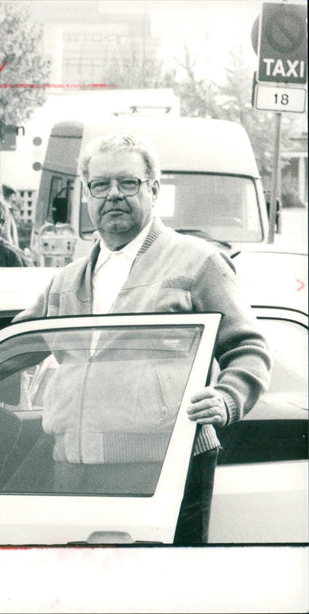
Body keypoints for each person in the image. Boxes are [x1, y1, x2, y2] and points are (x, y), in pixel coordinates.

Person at [15, 133, 271, 544]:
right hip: (72, 467)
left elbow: (249, 349)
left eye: (128, 183)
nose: (113, 194)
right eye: (100, 185)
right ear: (87, 193)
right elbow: (15, 346)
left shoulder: (198, 262)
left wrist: (227, 398)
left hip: (163, 469)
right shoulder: (65, 280)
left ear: (153, 189)